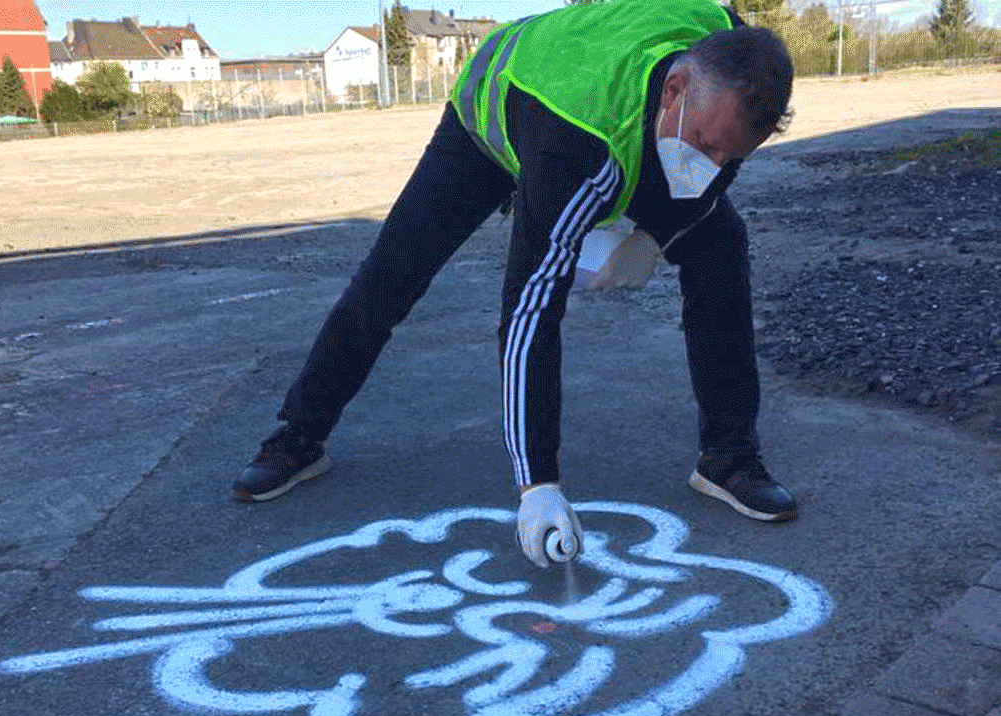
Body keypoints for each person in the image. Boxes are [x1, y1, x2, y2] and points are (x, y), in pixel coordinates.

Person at [232, 0, 799, 568]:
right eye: (704, 144)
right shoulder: (577, 142)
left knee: (722, 246)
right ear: (675, 88)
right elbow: (531, 308)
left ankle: (728, 457)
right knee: (391, 277)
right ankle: (297, 437)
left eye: (734, 154)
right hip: (498, 114)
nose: (714, 164)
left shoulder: (730, 53)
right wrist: (538, 485)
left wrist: (656, 230)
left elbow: (712, 156)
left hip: (608, 99)